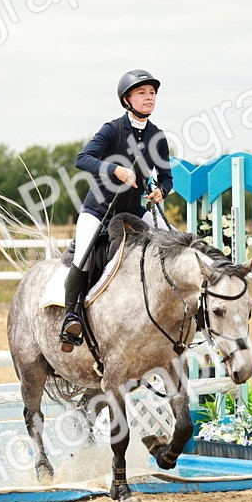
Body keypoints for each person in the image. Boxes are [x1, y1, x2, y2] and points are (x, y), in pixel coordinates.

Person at [60, 69, 174, 349]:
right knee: (83, 259)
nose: (149, 98)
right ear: (127, 100)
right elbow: (82, 159)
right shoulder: (112, 129)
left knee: (170, 248)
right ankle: (71, 318)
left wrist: (162, 191)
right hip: (98, 211)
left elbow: (167, 177)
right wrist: (115, 170)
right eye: (142, 93)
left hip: (135, 215)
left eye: (152, 93)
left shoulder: (157, 135)